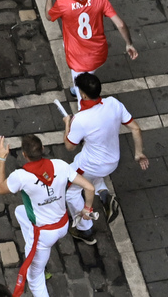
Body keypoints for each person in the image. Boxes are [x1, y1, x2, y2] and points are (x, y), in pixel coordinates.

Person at [0, 132, 98, 295]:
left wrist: (1, 159)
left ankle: (34, 250)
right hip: (62, 225)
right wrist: (87, 209)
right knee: (20, 211)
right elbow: (90, 187)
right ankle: (32, 245)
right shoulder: (61, 165)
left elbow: (1, 188)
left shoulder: (21, 176)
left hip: (43, 235)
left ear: (24, 155)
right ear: (43, 149)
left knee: (34, 279)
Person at [62, 70, 149, 229]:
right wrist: (138, 153)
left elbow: (69, 146)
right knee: (93, 175)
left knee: (70, 191)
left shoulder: (81, 119)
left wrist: (67, 124)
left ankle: (84, 228)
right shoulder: (113, 103)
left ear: (84, 95)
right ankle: (103, 195)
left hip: (91, 163)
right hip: (112, 160)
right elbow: (136, 129)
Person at [45, 0, 138, 94]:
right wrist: (129, 44)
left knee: (81, 93)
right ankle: (82, 85)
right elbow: (121, 24)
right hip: (98, 53)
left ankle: (79, 94)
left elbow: (49, 16)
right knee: (90, 72)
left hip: (77, 57)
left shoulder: (63, 4)